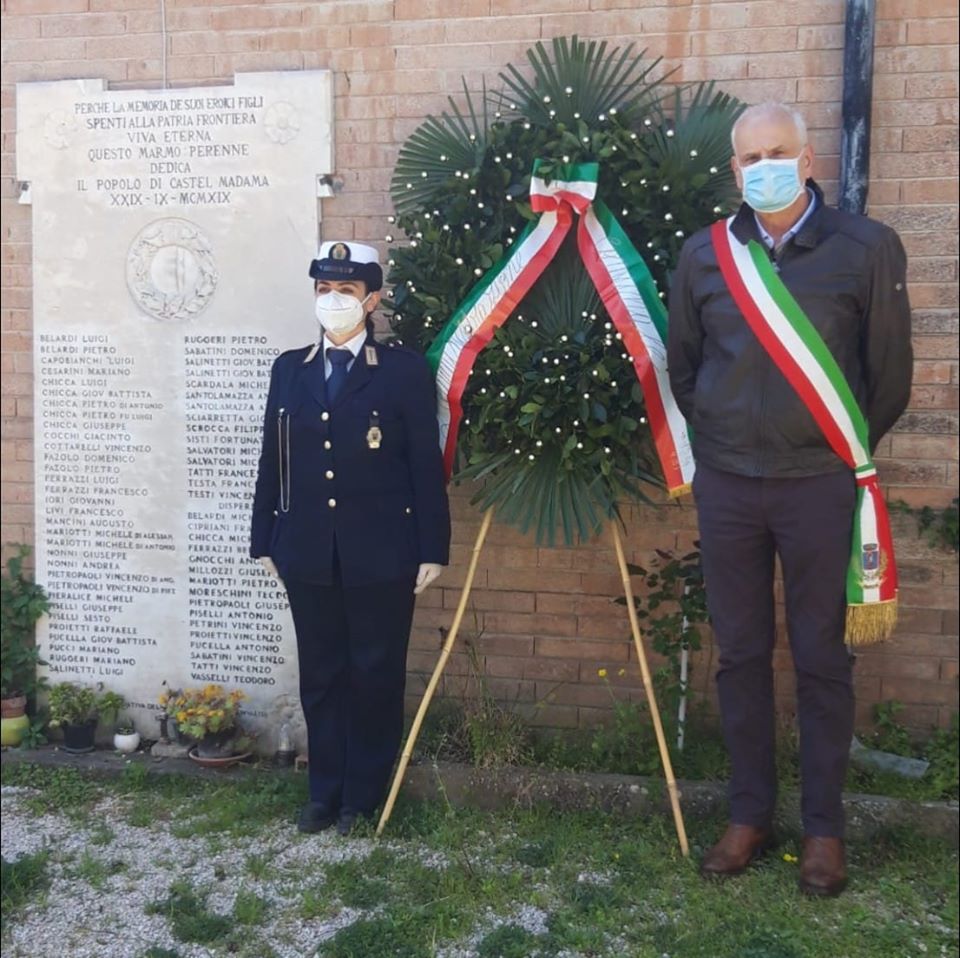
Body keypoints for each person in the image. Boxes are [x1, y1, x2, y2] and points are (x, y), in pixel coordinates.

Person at [667, 102, 913, 896]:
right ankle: (749, 814)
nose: (764, 166)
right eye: (751, 157)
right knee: (739, 653)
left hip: (819, 486)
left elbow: (889, 376)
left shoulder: (865, 247)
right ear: (734, 170)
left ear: (807, 161)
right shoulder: (705, 254)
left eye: (779, 152)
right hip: (730, 487)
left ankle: (823, 829)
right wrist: (727, 438)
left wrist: (827, 449)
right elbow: (685, 367)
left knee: (821, 657)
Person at [251, 240, 451, 836]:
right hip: (307, 549)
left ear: (372, 300)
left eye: (346, 290)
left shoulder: (402, 371)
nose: (333, 299)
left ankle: (361, 797)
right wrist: (265, 536)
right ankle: (324, 792)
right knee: (321, 675)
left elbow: (424, 464)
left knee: (375, 673)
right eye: (324, 289)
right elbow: (274, 459)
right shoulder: (290, 369)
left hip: (383, 552)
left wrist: (432, 548)